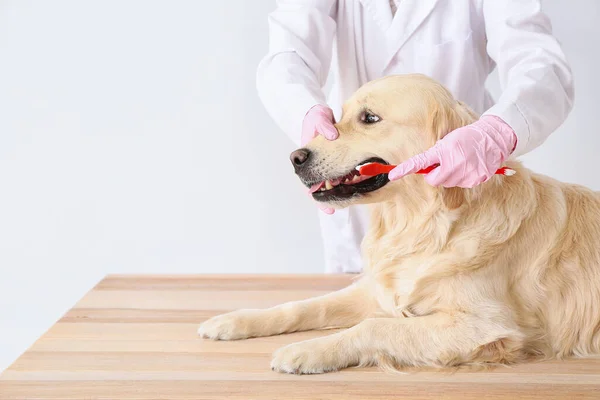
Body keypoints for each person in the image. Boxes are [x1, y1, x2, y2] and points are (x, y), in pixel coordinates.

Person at [256, 0, 574, 273]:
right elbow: (288, 53)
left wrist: (498, 133)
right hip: (362, 199)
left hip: (459, 192)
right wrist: (304, 110)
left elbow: (539, 63)